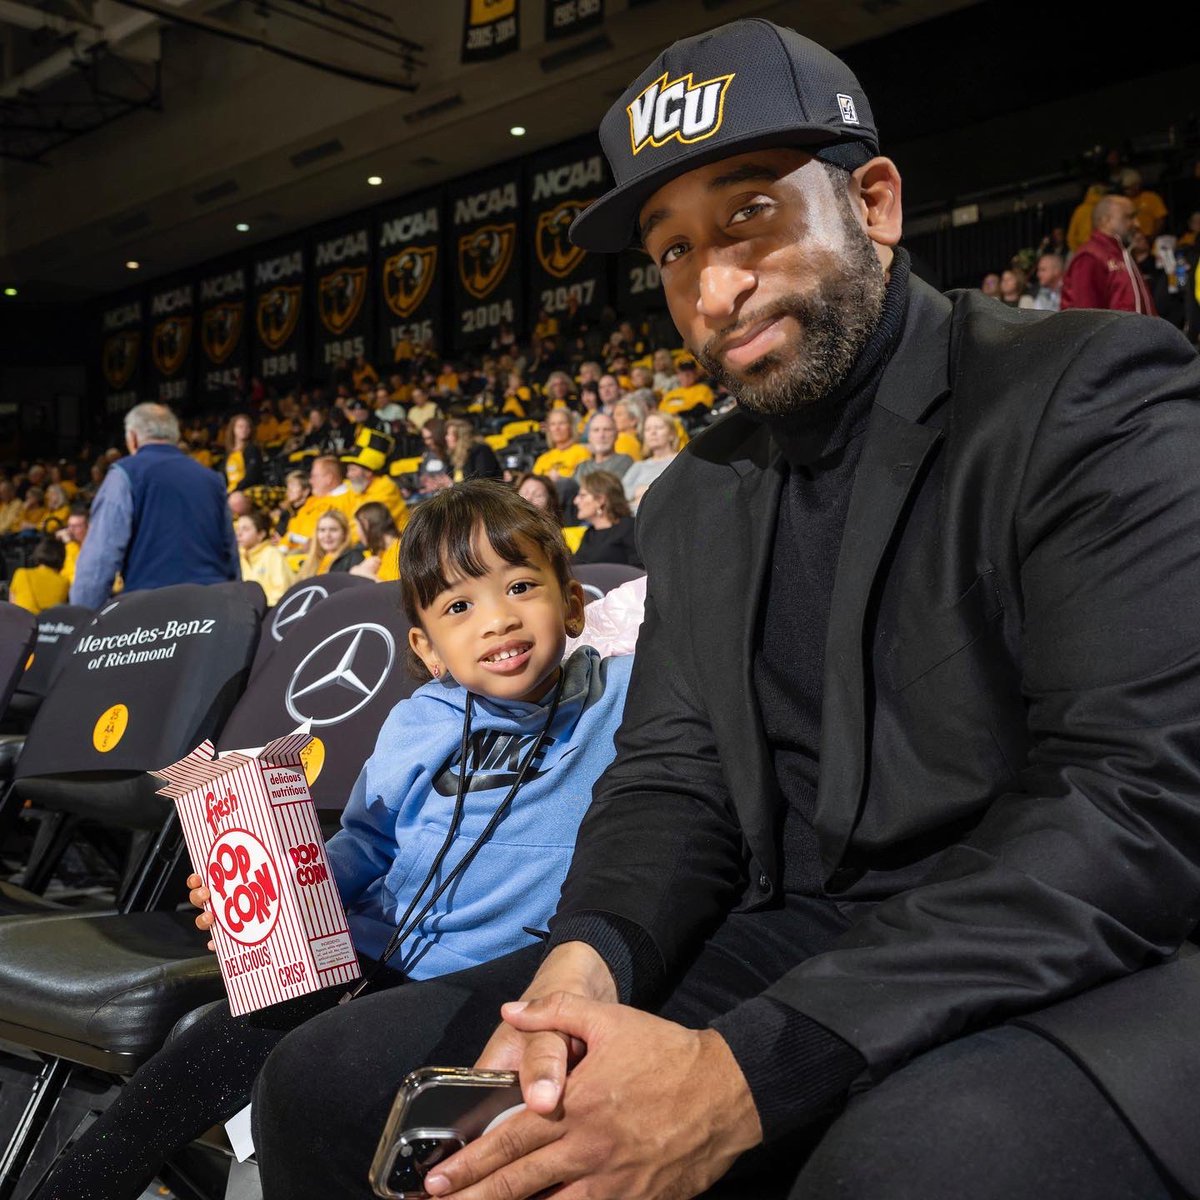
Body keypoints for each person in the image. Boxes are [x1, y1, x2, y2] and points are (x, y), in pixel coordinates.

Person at [253, 18, 1200, 1200]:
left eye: (750, 214)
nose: (714, 288)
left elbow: (1132, 803)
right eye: (671, 250)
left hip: (1078, 950)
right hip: (798, 937)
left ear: (875, 203)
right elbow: (672, 780)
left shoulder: (1087, 391)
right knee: (333, 1081)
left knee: (897, 1172)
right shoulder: (696, 495)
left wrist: (744, 1075)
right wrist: (583, 966)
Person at [37, 480, 632, 1200]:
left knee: (346, 1110)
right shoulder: (419, 719)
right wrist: (272, 888)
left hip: (495, 987)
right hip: (364, 958)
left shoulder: (622, 697)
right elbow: (365, 847)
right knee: (181, 1072)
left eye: (521, 587)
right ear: (428, 648)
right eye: (459, 606)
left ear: (573, 605)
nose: (498, 619)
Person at [70, 403, 238, 608]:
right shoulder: (212, 479)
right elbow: (231, 553)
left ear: (132, 438)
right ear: (175, 436)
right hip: (213, 606)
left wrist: (83, 615)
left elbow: (99, 559)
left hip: (153, 611)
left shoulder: (125, 474)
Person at [1061, 194, 1157, 314]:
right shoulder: (1089, 256)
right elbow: (1085, 317)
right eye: (1129, 217)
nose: (1137, 223)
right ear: (1105, 220)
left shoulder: (1121, 253)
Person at [572, 471, 642, 568]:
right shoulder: (589, 534)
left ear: (600, 500)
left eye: (582, 495)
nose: (575, 501)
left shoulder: (630, 528)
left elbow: (640, 569)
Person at [235, 508, 294, 606]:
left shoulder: (273, 554)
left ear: (261, 534)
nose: (238, 534)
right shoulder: (238, 557)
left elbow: (282, 592)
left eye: (245, 529)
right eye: (237, 529)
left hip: (271, 610)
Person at [622, 410, 679, 509]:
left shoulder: (679, 461)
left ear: (671, 434)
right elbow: (619, 492)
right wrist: (636, 491)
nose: (653, 433)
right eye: (648, 429)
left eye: (658, 428)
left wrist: (648, 491)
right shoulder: (639, 466)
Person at [297, 508, 366, 578]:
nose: (327, 535)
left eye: (333, 530)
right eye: (322, 530)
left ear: (344, 533)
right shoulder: (312, 561)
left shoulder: (354, 557)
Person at [8, 536, 68, 614]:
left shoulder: (21, 574)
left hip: (21, 620)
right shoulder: (65, 582)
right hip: (48, 621)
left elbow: (12, 605)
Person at [349, 500, 401, 581]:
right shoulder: (378, 553)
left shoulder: (399, 550)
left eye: (357, 526)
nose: (357, 533)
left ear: (366, 524)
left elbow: (395, 587)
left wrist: (363, 574)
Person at [532, 410, 592, 479]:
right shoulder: (542, 459)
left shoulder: (582, 452)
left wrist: (560, 479)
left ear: (570, 427)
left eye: (561, 423)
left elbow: (585, 481)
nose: (557, 428)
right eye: (553, 424)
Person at [575, 412, 634, 481]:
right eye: (596, 430)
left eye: (607, 430)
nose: (601, 435)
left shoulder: (624, 461)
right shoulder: (582, 467)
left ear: (616, 435)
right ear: (589, 437)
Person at [445, 418, 503, 482]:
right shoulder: (455, 455)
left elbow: (482, 479)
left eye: (449, 434)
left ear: (460, 437)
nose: (446, 438)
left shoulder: (481, 450)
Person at [223, 412, 264, 493]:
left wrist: (236, 490)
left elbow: (251, 476)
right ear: (233, 429)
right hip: (230, 491)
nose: (244, 430)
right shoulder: (229, 453)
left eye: (247, 427)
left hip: (245, 490)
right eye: (240, 427)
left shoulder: (252, 449)